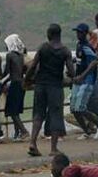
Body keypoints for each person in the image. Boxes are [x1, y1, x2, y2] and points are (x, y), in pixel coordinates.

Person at [25, 24, 75, 157]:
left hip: (41, 85)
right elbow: (71, 72)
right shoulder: (65, 51)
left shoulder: (43, 47)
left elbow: (33, 66)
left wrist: (27, 80)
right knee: (55, 116)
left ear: (49, 34)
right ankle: (53, 148)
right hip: (56, 87)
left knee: (38, 114)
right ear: (59, 34)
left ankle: (32, 143)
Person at [70, 23, 98, 140]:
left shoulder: (86, 46)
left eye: (80, 32)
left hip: (86, 81)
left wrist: (82, 76)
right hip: (78, 80)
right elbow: (81, 60)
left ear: (85, 33)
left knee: (80, 107)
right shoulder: (78, 45)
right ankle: (87, 130)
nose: (78, 34)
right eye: (77, 32)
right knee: (73, 109)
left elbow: (94, 61)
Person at [2, 34, 30, 142]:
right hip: (22, 84)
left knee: (12, 111)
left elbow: (7, 73)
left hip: (14, 84)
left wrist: (1, 82)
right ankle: (17, 133)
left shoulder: (10, 55)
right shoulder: (21, 56)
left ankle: (24, 131)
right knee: (16, 110)